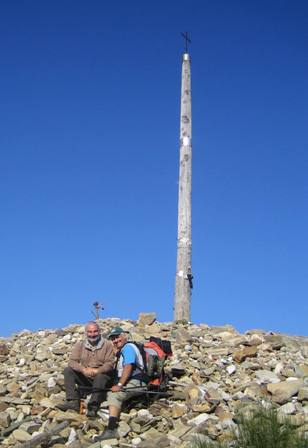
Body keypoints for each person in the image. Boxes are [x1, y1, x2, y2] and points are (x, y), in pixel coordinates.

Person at [94, 326, 147, 441]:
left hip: (137, 382)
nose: (115, 340)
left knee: (114, 395)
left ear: (124, 336)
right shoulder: (123, 350)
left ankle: (112, 429)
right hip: (132, 381)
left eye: (117, 337)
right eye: (113, 339)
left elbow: (128, 366)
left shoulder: (128, 348)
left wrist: (119, 385)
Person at [57, 321, 114, 417]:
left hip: (101, 380)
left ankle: (93, 406)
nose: (92, 334)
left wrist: (97, 371)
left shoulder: (107, 345)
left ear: (99, 331)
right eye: (90, 332)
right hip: (86, 377)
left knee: (101, 376)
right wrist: (83, 369)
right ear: (86, 333)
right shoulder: (80, 345)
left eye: (95, 331)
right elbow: (72, 361)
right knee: (68, 370)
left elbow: (110, 363)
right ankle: (73, 402)